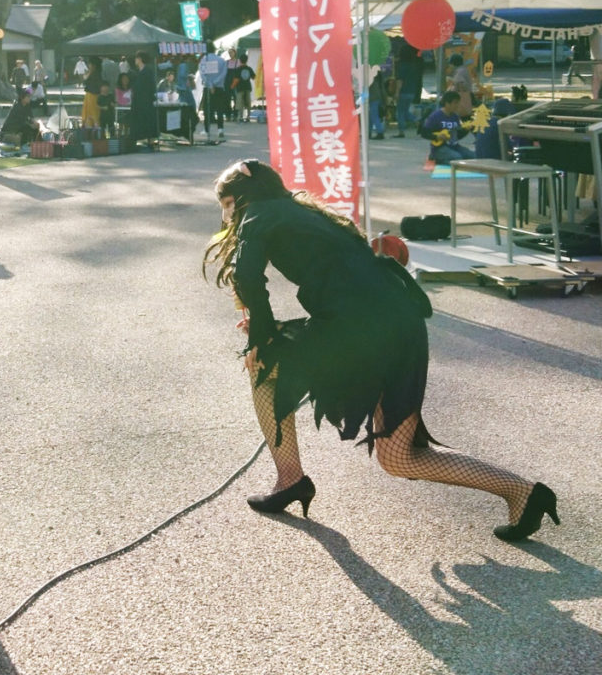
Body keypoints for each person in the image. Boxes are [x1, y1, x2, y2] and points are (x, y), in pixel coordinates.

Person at [203, 158, 559, 543]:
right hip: (398, 324)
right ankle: (522, 492)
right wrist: (266, 328)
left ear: (243, 197)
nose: (225, 215)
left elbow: (245, 274)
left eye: (226, 203)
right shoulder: (303, 212)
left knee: (264, 366)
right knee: (398, 457)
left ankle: (290, 478)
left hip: (363, 328)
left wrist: (262, 336)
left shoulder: (260, 211)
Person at [420, 90, 474, 166]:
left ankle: (450, 159)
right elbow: (424, 133)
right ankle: (436, 158)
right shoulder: (435, 116)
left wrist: (465, 131)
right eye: (455, 103)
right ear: (447, 103)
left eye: (458, 102)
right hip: (439, 148)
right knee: (457, 158)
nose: (458, 105)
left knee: (474, 156)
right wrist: (436, 136)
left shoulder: (455, 116)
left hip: (454, 146)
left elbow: (456, 136)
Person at [128, 50, 158, 149]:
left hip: (146, 100)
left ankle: (150, 141)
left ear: (140, 59)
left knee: (147, 120)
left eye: (136, 58)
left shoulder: (148, 71)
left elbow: (150, 86)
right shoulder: (139, 71)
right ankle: (140, 139)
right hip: (138, 100)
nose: (135, 60)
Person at [198, 41, 228, 143]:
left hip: (207, 88)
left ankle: (207, 129)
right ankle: (220, 129)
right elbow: (224, 74)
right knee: (219, 109)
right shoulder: (221, 60)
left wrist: (210, 85)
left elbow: (202, 75)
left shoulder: (203, 60)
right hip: (219, 87)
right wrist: (215, 83)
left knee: (207, 109)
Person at [393, 42, 423, 138]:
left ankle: (401, 131)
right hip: (412, 91)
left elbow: (400, 80)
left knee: (400, 112)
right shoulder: (414, 65)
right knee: (405, 111)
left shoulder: (402, 66)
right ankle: (417, 121)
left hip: (403, 92)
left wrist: (397, 92)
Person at [447, 53, 474, 118]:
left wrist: (453, 90)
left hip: (462, 98)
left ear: (454, 63)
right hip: (467, 96)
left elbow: (461, 84)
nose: (450, 66)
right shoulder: (463, 70)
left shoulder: (459, 72)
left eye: (450, 64)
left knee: (461, 116)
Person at [81, 56, 103, 128]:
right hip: (89, 96)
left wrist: (90, 72)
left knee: (93, 115)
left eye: (89, 64)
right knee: (90, 114)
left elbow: (85, 80)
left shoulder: (97, 74)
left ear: (94, 65)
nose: (88, 65)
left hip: (93, 96)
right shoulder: (92, 73)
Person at [234, 54, 256, 123]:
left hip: (240, 88)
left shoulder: (238, 69)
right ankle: (248, 116)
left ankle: (240, 116)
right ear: (247, 60)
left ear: (240, 61)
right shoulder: (249, 69)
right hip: (247, 87)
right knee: (248, 102)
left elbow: (235, 79)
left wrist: (232, 86)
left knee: (240, 102)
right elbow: (254, 77)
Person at [368, 69, 386, 140]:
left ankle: (379, 132)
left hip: (372, 97)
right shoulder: (379, 77)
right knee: (372, 116)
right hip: (377, 97)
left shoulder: (370, 78)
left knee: (373, 116)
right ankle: (369, 132)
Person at [115, 72, 133, 137]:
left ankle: (127, 140)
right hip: (121, 109)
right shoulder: (118, 89)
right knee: (120, 126)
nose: (125, 80)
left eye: (126, 78)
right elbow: (118, 100)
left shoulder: (131, 88)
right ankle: (119, 139)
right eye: (123, 79)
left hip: (129, 109)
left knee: (127, 126)